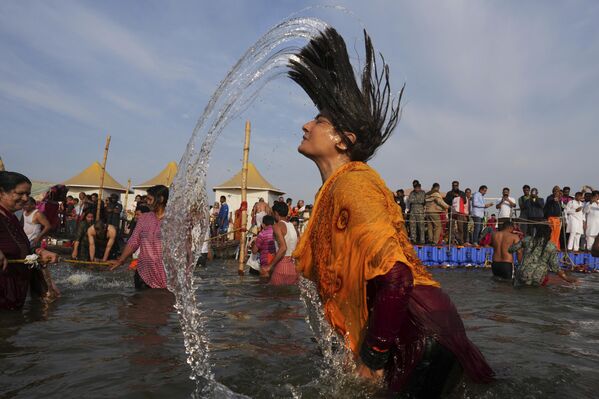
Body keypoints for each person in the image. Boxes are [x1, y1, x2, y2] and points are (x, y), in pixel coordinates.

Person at [288, 27, 493, 395]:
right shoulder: (338, 187)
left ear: (343, 139)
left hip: (418, 330)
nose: (306, 124)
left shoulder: (353, 182)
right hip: (417, 326)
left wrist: (373, 357)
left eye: (319, 120)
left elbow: (397, 275)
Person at [0, 171, 60, 310]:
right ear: (1, 192)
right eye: (20, 193)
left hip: (12, 296)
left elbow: (21, 248)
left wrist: (39, 251)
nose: (26, 198)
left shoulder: (12, 217)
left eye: (28, 194)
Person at [108, 185, 168, 289]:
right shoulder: (144, 218)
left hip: (165, 274)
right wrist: (121, 260)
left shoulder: (174, 220)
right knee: (139, 303)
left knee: (162, 303)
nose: (147, 202)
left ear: (161, 199)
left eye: (150, 199)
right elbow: (134, 241)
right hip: (143, 273)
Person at [508, 224, 577, 287]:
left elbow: (511, 249)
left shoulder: (527, 240)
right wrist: (566, 278)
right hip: (538, 277)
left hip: (522, 274)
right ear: (549, 234)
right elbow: (555, 267)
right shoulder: (551, 247)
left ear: (537, 233)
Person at [262, 201, 299, 285]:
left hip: (282, 265)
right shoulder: (293, 226)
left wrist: (269, 266)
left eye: (272, 213)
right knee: (288, 296)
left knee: (274, 295)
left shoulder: (277, 226)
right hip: (293, 267)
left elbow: (283, 248)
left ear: (276, 213)